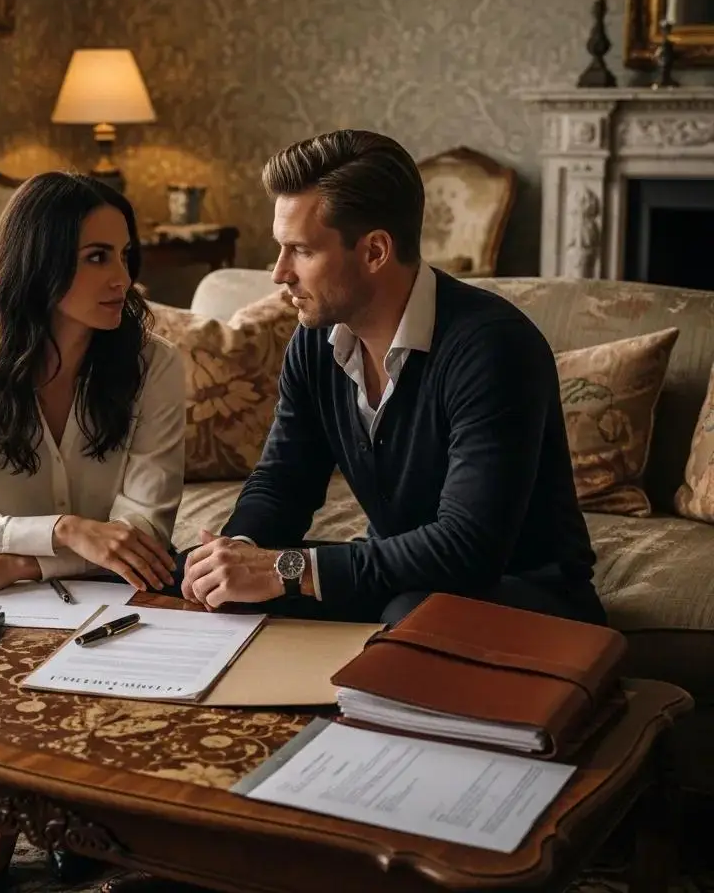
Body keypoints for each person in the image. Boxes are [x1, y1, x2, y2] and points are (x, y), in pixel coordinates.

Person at [180, 129, 606, 628]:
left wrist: (285, 569)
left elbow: (468, 546)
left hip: (527, 594)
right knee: (192, 571)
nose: (279, 273)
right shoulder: (315, 342)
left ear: (375, 251)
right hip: (404, 580)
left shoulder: (494, 347)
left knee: (408, 613)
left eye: (300, 251)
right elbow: (284, 481)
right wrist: (238, 554)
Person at [0, 171, 185, 888]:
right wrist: (61, 532)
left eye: (125, 254)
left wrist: (22, 561)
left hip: (96, 600)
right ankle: (0, 817)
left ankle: (88, 820)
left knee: (132, 663)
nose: (122, 277)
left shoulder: (155, 366)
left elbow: (139, 537)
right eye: (96, 257)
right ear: (38, 260)